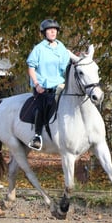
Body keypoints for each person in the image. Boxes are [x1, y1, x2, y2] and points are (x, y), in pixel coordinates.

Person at [26, 18, 71, 150]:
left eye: (55, 30)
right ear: (44, 33)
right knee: (42, 106)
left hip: (59, 85)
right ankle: (37, 136)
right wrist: (36, 84)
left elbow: (66, 66)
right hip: (42, 87)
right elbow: (31, 67)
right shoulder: (39, 49)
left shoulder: (61, 47)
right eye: (50, 30)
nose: (53, 32)